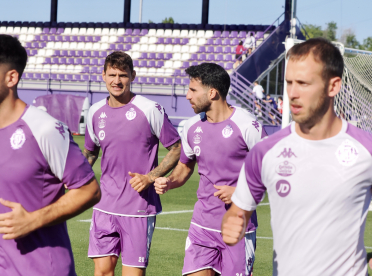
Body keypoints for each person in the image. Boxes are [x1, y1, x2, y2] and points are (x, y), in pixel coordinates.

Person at [222, 38, 372, 275]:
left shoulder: (366, 150)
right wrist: (233, 221)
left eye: (303, 83)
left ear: (333, 86)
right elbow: (239, 211)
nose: (292, 93)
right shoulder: (265, 152)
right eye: (289, 83)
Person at [0, 34, 101, 276]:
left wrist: (33, 220)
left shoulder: (44, 128)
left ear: (11, 77)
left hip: (43, 268)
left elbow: (89, 190)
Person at [154, 63, 266, 276]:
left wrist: (239, 192)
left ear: (212, 92)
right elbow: (185, 167)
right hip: (201, 227)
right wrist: (170, 181)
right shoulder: (191, 127)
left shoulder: (247, 126)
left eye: (193, 90)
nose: (187, 96)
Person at [84, 51, 181, 276]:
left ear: (133, 76)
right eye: (112, 75)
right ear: (103, 76)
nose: (117, 81)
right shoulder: (95, 112)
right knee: (102, 272)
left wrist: (150, 177)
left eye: (123, 75)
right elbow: (91, 153)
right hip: (104, 205)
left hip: (138, 208)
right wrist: (76, 176)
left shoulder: (150, 109)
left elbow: (177, 149)